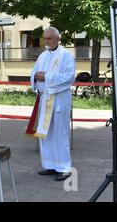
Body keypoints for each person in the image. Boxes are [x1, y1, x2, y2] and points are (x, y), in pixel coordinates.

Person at [28, 27, 75, 182]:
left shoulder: (66, 55)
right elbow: (34, 73)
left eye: (49, 38)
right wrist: (35, 77)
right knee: (45, 134)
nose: (46, 41)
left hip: (59, 100)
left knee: (59, 134)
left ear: (57, 38)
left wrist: (46, 78)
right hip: (44, 100)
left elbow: (69, 77)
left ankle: (64, 168)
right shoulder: (42, 56)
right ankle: (50, 164)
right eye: (45, 38)